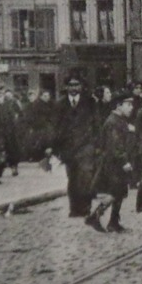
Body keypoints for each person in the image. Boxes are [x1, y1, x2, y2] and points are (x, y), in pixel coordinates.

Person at [86, 96, 138, 233]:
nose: (131, 107)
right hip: (113, 164)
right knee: (116, 192)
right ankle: (97, 217)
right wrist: (124, 161)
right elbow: (116, 145)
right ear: (118, 106)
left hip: (115, 162)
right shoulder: (113, 122)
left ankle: (111, 222)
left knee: (119, 192)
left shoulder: (119, 120)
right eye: (128, 104)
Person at [52, 76, 99, 217]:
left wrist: (97, 145)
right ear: (66, 87)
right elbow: (55, 127)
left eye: (76, 84)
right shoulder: (59, 104)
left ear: (81, 86)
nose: (73, 88)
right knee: (72, 178)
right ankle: (74, 209)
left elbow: (97, 124)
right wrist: (55, 148)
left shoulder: (90, 102)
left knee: (85, 177)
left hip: (86, 146)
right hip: (68, 148)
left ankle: (85, 207)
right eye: (70, 85)